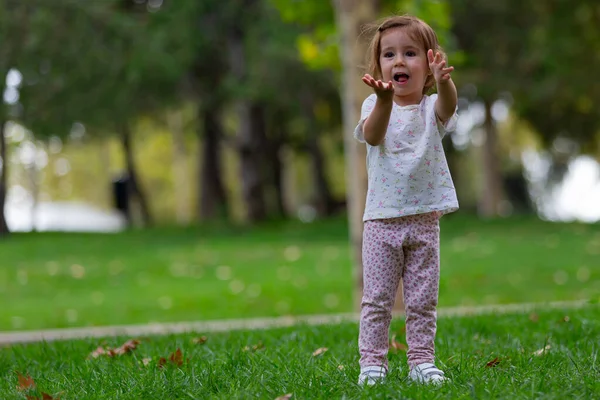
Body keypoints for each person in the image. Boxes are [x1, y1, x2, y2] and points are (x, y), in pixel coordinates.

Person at [354, 14, 459, 386]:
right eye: (389, 54)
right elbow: (372, 136)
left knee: (422, 300)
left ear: (428, 65)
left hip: (424, 219)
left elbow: (448, 108)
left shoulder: (431, 108)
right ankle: (373, 364)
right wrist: (383, 100)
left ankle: (421, 362)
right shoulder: (373, 105)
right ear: (378, 65)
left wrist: (446, 85)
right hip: (382, 220)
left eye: (410, 53)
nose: (398, 61)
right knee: (377, 299)